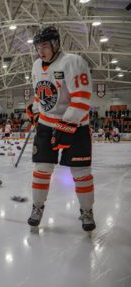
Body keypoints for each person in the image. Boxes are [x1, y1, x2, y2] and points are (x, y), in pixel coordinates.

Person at [26, 26, 95, 233]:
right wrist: (36, 112)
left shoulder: (73, 61)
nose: (40, 50)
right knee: (41, 170)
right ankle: (37, 208)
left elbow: (82, 97)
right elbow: (39, 93)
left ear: (55, 44)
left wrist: (67, 125)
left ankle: (86, 211)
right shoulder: (37, 65)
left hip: (76, 126)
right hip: (47, 125)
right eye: (38, 46)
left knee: (81, 172)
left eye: (44, 45)